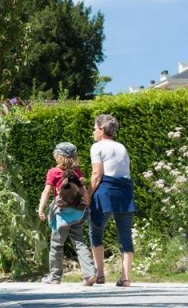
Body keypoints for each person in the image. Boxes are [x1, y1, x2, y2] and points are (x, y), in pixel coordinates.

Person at [36, 141, 96, 286]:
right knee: (79, 242)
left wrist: (41, 209)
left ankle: (55, 277)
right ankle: (90, 274)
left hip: (61, 215)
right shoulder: (77, 172)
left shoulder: (53, 172)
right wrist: (88, 205)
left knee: (56, 245)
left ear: (58, 156)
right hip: (77, 213)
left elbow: (46, 191)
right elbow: (84, 192)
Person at [89, 113, 136, 286]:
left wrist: (88, 194)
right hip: (125, 191)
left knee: (95, 230)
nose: (93, 131)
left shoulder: (97, 147)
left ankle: (100, 274)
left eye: (95, 128)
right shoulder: (121, 147)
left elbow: (96, 174)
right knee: (125, 235)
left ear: (101, 129)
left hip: (105, 191)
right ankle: (125, 278)